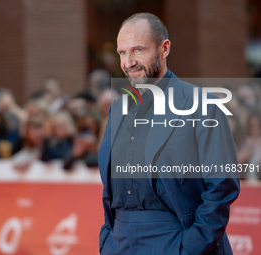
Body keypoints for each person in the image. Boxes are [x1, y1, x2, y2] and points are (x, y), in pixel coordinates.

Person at [98, 13, 240, 255]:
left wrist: (192, 246)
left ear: (163, 49)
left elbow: (222, 186)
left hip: (176, 240)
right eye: (122, 52)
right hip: (119, 242)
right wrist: (107, 240)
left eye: (138, 50)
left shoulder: (203, 104)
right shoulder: (118, 109)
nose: (128, 62)